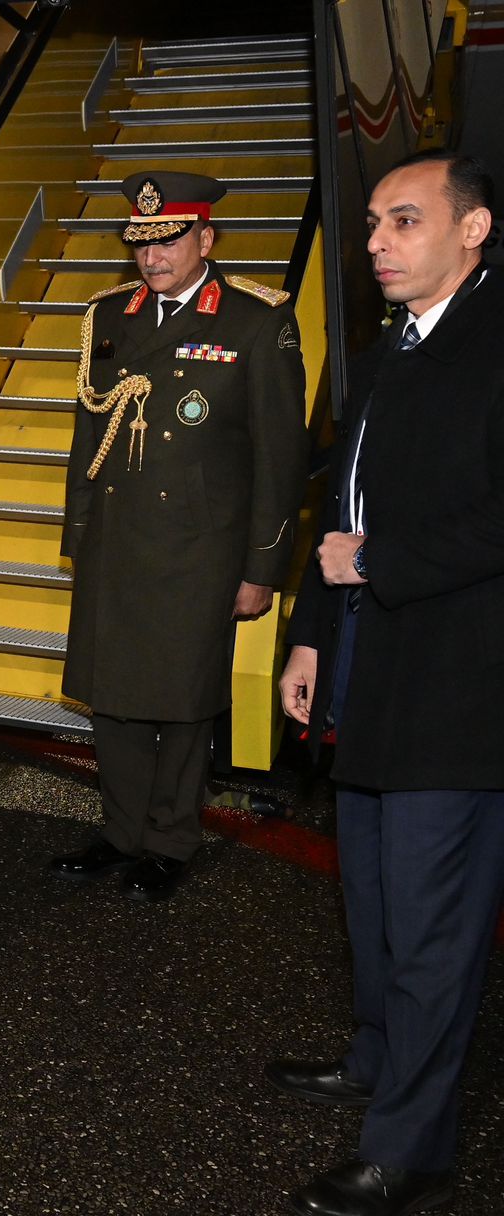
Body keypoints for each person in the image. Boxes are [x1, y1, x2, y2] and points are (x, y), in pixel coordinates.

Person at [268, 150, 503, 1216]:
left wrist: (378, 562)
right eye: (370, 223)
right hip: (367, 666)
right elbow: (338, 513)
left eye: (404, 220)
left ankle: (411, 1148)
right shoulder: (384, 353)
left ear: (474, 229)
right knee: (368, 896)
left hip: (460, 686)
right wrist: (311, 638)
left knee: (431, 927)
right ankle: (375, 1056)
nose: (375, 243)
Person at [50, 170, 308, 902]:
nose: (152, 255)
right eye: (142, 242)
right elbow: (89, 437)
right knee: (112, 696)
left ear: (206, 238)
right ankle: (120, 832)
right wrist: (78, 535)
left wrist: (262, 568)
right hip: (117, 541)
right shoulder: (109, 316)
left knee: (183, 701)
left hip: (200, 551)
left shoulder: (255, 321)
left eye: (168, 240)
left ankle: (169, 841)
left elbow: (280, 458)